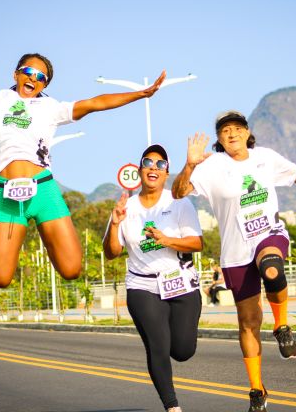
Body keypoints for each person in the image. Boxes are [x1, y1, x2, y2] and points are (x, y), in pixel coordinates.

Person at [0, 33, 165, 287]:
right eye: (29, 72)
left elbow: (95, 102)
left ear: (45, 84)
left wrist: (140, 94)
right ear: (16, 73)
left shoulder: (50, 108)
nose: (34, 78)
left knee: (72, 271)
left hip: (43, 188)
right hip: (9, 195)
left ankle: (44, 234)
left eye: (41, 77)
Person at [171, 111, 296, 412]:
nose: (231, 134)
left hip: (267, 234)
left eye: (237, 129)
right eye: (224, 131)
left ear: (247, 133)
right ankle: (257, 390)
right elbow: (179, 193)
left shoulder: (265, 158)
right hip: (234, 252)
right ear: (219, 139)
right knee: (248, 323)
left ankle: (282, 326)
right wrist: (190, 164)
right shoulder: (210, 166)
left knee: (272, 269)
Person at [103, 144, 203, 412]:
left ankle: (171, 344)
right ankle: (172, 406)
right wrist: (114, 224)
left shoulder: (179, 202)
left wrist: (167, 239)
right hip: (142, 285)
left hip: (180, 282)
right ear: (139, 171)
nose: (153, 168)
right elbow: (111, 252)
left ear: (167, 172)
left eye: (160, 164)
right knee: (158, 345)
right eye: (148, 162)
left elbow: (196, 243)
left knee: (182, 351)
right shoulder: (127, 207)